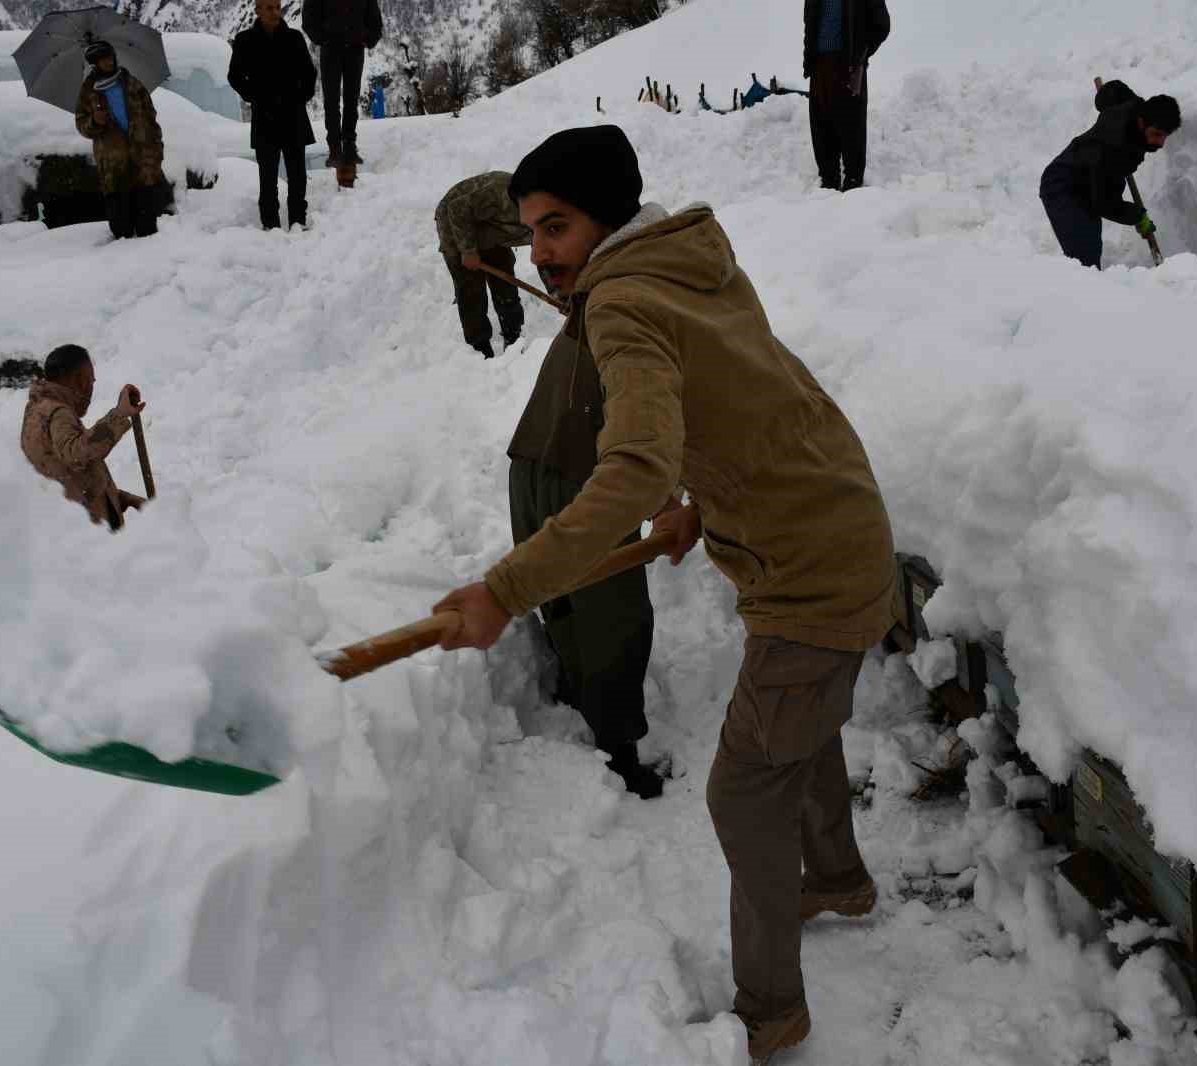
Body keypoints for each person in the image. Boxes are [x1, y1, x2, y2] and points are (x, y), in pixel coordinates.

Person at [430, 125, 901, 1063]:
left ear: (605, 219)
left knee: (742, 791)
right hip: (833, 518)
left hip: (810, 573)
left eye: (556, 228)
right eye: (531, 234)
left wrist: (506, 588)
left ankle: (772, 1011)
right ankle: (839, 879)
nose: (542, 254)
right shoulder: (690, 255)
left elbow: (633, 462)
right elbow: (730, 390)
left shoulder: (621, 305)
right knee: (798, 728)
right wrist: (695, 499)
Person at [507, 310, 662, 799]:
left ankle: (579, 687)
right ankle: (618, 752)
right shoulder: (649, 313)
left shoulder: (605, 299)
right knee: (616, 617)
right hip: (583, 478)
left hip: (530, 462)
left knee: (563, 592)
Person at [1039, 80, 1180, 267]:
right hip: (1063, 187)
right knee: (1085, 262)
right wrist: (1137, 216)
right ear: (1141, 122)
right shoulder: (1115, 148)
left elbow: (1114, 90)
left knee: (1089, 250)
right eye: (1156, 134)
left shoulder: (1135, 105)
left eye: (1164, 136)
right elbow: (1104, 203)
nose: (1160, 143)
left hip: (1088, 180)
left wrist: (1103, 96)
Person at [21, 344, 147, 531]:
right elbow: (76, 455)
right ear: (81, 381)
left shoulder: (38, 410)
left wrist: (121, 499)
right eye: (91, 381)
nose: (91, 389)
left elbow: (68, 478)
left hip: (66, 527)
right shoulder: (58, 413)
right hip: (84, 537)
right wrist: (119, 415)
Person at [229, 0, 319, 231]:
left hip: (293, 116)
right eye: (269, 8)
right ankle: (270, 226)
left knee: (298, 176)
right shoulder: (245, 41)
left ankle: (298, 221)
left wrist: (300, 97)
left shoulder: (295, 38)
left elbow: (309, 73)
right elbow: (235, 76)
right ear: (258, 10)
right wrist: (254, 96)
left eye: (277, 7)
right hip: (264, 117)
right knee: (267, 178)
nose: (275, 12)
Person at [74, 40, 167, 240]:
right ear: (94, 64)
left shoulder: (132, 83)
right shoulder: (89, 91)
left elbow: (151, 119)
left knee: (148, 231)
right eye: (102, 60)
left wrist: (156, 151)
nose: (108, 62)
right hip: (114, 170)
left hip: (142, 165)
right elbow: (81, 124)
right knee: (121, 230)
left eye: (109, 57)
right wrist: (95, 122)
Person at [434, 171, 530, 358]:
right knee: (470, 289)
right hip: (454, 224)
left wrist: (558, 292)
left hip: (491, 229)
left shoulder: (542, 215)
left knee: (505, 281)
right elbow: (457, 208)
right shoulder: (501, 192)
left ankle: (513, 338)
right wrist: (468, 250)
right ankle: (480, 348)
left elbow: (547, 258)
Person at [802, 0, 890, 191]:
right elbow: (809, 24)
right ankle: (828, 184)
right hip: (819, 67)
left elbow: (882, 25)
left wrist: (861, 54)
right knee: (822, 126)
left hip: (848, 66)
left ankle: (853, 185)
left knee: (852, 127)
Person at [300, 0, 382, 168]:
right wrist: (323, 38)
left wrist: (367, 37)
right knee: (331, 101)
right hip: (330, 49)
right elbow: (308, 19)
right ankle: (335, 148)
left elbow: (374, 17)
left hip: (355, 48)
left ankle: (350, 146)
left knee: (351, 99)